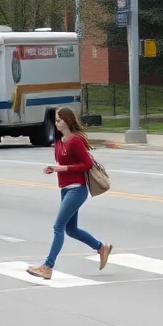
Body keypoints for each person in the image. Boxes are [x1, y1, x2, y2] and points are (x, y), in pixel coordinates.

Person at [27, 109, 112, 280]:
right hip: (65, 189)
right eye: (56, 120)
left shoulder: (75, 141)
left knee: (58, 227)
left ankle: (47, 266)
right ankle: (101, 247)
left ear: (68, 121)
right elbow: (62, 163)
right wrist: (53, 169)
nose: (56, 122)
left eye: (59, 120)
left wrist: (64, 168)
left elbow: (86, 164)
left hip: (77, 189)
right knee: (71, 229)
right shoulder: (58, 141)